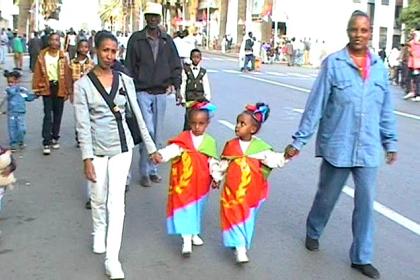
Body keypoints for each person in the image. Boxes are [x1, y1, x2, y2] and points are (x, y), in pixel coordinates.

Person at [284, 10, 397, 279]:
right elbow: (316, 104)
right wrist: (299, 141)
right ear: (348, 32)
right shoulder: (334, 64)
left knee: (366, 203)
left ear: (370, 33)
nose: (359, 35)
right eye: (354, 30)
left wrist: (389, 141)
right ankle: (314, 230)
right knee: (327, 197)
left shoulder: (380, 68)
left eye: (364, 30)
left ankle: (361, 256)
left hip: (368, 148)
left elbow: (386, 109)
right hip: (338, 145)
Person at [73, 31, 159, 279]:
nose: (110, 56)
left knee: (117, 203)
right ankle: (98, 230)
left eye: (113, 51)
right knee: (98, 197)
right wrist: (86, 159)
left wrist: (150, 147)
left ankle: (113, 259)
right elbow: (83, 126)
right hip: (97, 151)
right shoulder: (83, 86)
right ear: (95, 51)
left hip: (123, 149)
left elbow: (138, 116)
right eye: (105, 50)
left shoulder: (124, 81)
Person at [218, 103, 286, 263]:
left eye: (242, 124)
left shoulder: (260, 148)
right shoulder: (231, 146)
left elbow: (275, 160)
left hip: (251, 194)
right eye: (237, 123)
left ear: (253, 129)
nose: (237, 127)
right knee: (233, 216)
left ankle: (239, 243)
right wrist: (216, 177)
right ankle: (240, 248)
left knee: (246, 219)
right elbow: (223, 164)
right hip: (232, 193)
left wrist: (287, 155)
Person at [125, 1, 182, 188]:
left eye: (155, 17)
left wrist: (177, 87)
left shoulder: (167, 40)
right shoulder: (136, 39)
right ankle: (144, 171)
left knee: (157, 134)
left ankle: (152, 170)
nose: (152, 19)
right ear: (145, 18)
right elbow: (129, 66)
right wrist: (128, 91)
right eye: (149, 16)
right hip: (142, 91)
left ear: (159, 19)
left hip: (161, 92)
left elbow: (175, 65)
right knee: (146, 131)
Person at [155, 101, 220, 256]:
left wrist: (216, 177)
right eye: (194, 123)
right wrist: (161, 155)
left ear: (207, 124)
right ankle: (186, 241)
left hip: (202, 184)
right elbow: (173, 149)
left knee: (198, 208)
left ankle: (194, 232)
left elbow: (213, 162)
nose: (197, 127)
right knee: (185, 208)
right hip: (184, 183)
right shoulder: (183, 139)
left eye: (201, 124)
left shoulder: (210, 142)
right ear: (189, 123)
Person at [32, 32, 73, 155]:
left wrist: (68, 90)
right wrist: (37, 88)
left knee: (58, 114)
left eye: (57, 40)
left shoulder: (62, 56)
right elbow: (37, 72)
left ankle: (55, 137)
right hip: (47, 87)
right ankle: (46, 141)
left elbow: (67, 73)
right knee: (47, 115)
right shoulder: (42, 55)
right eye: (52, 40)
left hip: (59, 87)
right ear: (49, 41)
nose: (54, 42)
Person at [3, 70, 37, 151]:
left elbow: (28, 97)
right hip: (11, 113)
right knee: (12, 128)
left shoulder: (22, 90)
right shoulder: (9, 89)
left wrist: (36, 95)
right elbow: (12, 92)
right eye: (9, 82)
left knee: (22, 128)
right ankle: (13, 143)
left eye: (12, 82)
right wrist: (16, 87)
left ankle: (20, 140)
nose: (10, 84)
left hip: (21, 112)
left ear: (17, 81)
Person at [179, 49, 211, 130]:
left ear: (200, 59)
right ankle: (186, 134)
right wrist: (182, 98)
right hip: (189, 98)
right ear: (190, 58)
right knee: (188, 118)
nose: (196, 59)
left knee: (199, 118)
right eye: (194, 57)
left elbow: (206, 84)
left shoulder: (203, 72)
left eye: (197, 57)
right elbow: (183, 84)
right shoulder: (186, 70)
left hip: (200, 99)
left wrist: (207, 98)